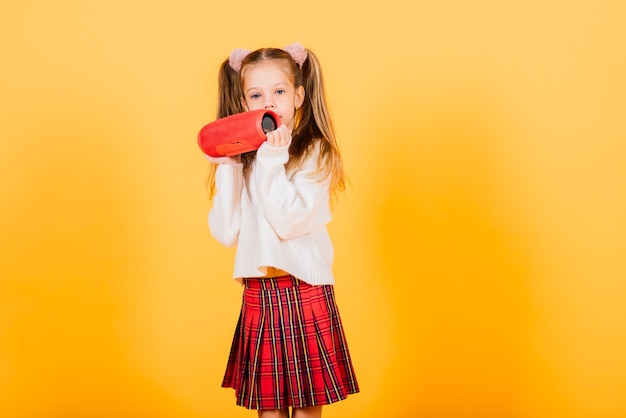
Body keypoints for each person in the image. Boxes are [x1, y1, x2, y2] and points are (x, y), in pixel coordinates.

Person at [203, 43, 359, 418]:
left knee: (306, 410)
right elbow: (226, 231)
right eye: (256, 94)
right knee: (269, 411)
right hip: (261, 292)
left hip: (304, 288)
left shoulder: (314, 153)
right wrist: (229, 166)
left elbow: (289, 221)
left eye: (279, 91)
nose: (269, 101)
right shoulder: (245, 161)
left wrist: (271, 160)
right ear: (244, 104)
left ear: (298, 96)